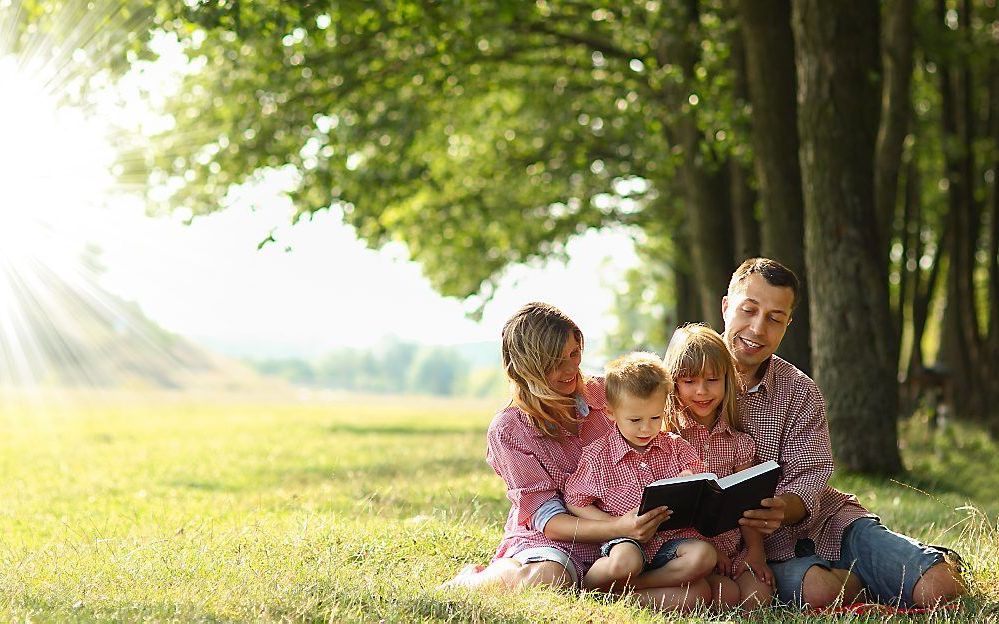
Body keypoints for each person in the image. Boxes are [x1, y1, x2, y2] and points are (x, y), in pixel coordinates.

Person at [722, 258, 966, 608]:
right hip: (761, 553)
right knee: (822, 592)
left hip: (828, 524)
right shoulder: (683, 379)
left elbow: (811, 477)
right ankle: (863, 581)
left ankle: (921, 561)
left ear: (787, 325)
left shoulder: (799, 390)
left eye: (775, 318)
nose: (758, 329)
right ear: (726, 306)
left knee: (942, 588)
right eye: (748, 310)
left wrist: (781, 507)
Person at [441, 302, 695, 610]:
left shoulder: (605, 394)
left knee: (692, 595)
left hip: (625, 546)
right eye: (554, 362)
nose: (570, 369)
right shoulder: (509, 429)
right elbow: (550, 521)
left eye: (574, 354)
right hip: (556, 544)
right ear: (525, 367)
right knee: (548, 576)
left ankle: (599, 594)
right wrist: (619, 527)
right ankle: (474, 581)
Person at [562, 352, 716, 608]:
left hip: (670, 544)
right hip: (626, 542)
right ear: (611, 413)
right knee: (626, 561)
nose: (646, 428)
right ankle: (586, 588)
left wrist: (691, 480)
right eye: (635, 420)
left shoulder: (676, 448)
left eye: (655, 418)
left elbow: (702, 483)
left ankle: (622, 591)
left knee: (703, 559)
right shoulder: (598, 457)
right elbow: (575, 501)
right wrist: (616, 524)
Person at [663, 323, 774, 609]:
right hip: (687, 550)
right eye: (689, 381)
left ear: (728, 380)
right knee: (725, 595)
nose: (702, 391)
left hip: (733, 547)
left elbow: (747, 505)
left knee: (757, 597)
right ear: (673, 383)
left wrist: (755, 552)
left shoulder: (739, 443)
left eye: (712, 380)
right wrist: (710, 550)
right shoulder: (666, 440)